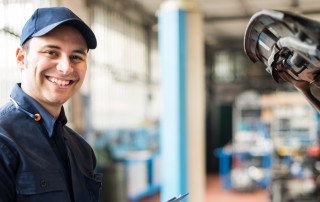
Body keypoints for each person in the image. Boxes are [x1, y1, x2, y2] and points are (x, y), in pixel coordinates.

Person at [0, 6, 102, 202]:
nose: (66, 68)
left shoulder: (82, 150)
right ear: (22, 58)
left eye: (76, 57)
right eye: (51, 52)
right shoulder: (4, 143)